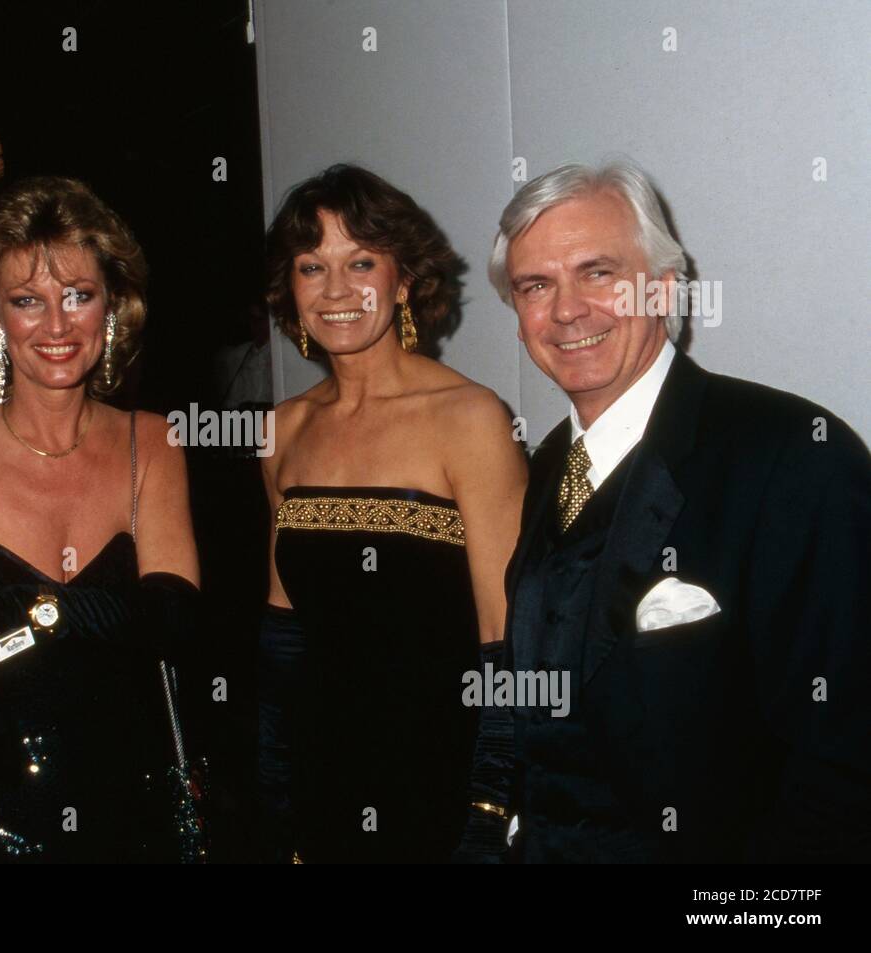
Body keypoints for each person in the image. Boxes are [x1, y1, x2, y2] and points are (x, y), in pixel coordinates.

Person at [467, 160, 871, 862]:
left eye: (598, 273)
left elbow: (844, 760)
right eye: (537, 285)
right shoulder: (544, 466)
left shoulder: (793, 454)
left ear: (662, 287)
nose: (566, 310)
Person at [257, 164, 528, 862]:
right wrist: (275, 792)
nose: (337, 290)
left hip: (440, 784)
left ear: (403, 280)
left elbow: (508, 640)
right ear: (291, 287)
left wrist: (487, 813)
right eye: (312, 266)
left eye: (362, 262)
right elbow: (285, 634)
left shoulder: (470, 418)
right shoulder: (282, 430)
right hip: (323, 787)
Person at [0, 175, 203, 863]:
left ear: (112, 307)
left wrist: (34, 616)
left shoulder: (154, 443)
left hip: (134, 823)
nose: (56, 325)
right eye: (28, 300)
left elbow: (175, 634)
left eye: (79, 295)